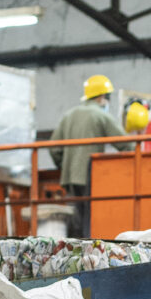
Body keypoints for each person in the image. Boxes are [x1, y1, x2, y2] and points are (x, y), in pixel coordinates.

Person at [49, 74, 133, 238]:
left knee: (75, 222)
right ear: (103, 97)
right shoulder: (101, 115)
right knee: (91, 221)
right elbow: (127, 144)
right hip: (91, 176)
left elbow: (53, 148)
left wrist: (64, 165)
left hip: (70, 177)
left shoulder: (69, 115)